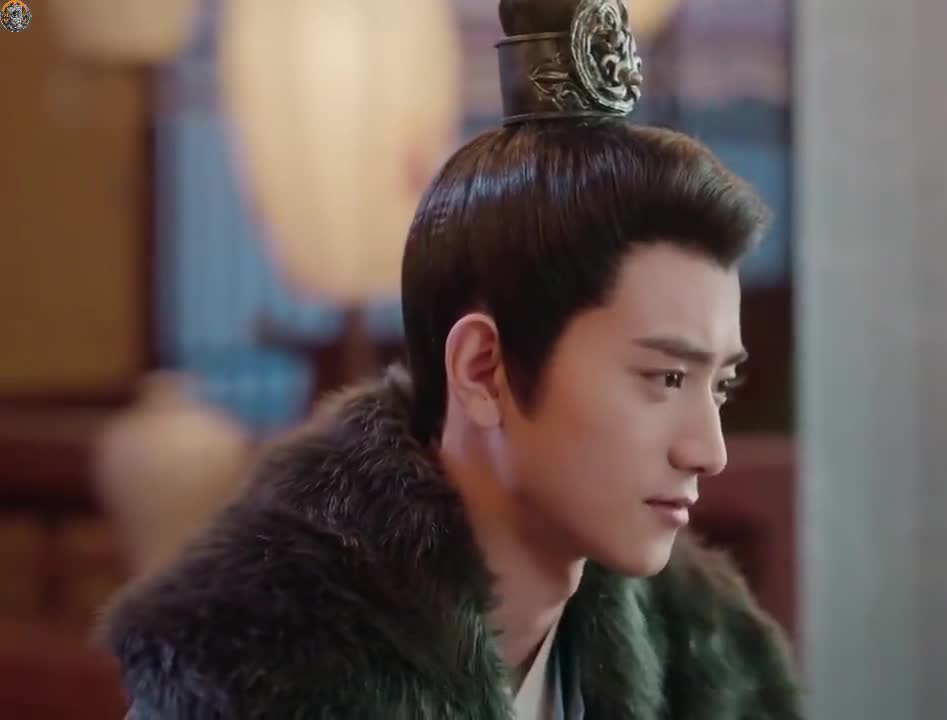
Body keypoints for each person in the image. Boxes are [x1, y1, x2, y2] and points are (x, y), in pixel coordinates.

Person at [102, 0, 803, 717]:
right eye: (666, 378)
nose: (708, 451)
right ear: (481, 369)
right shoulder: (250, 681)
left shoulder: (707, 658)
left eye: (721, 385)